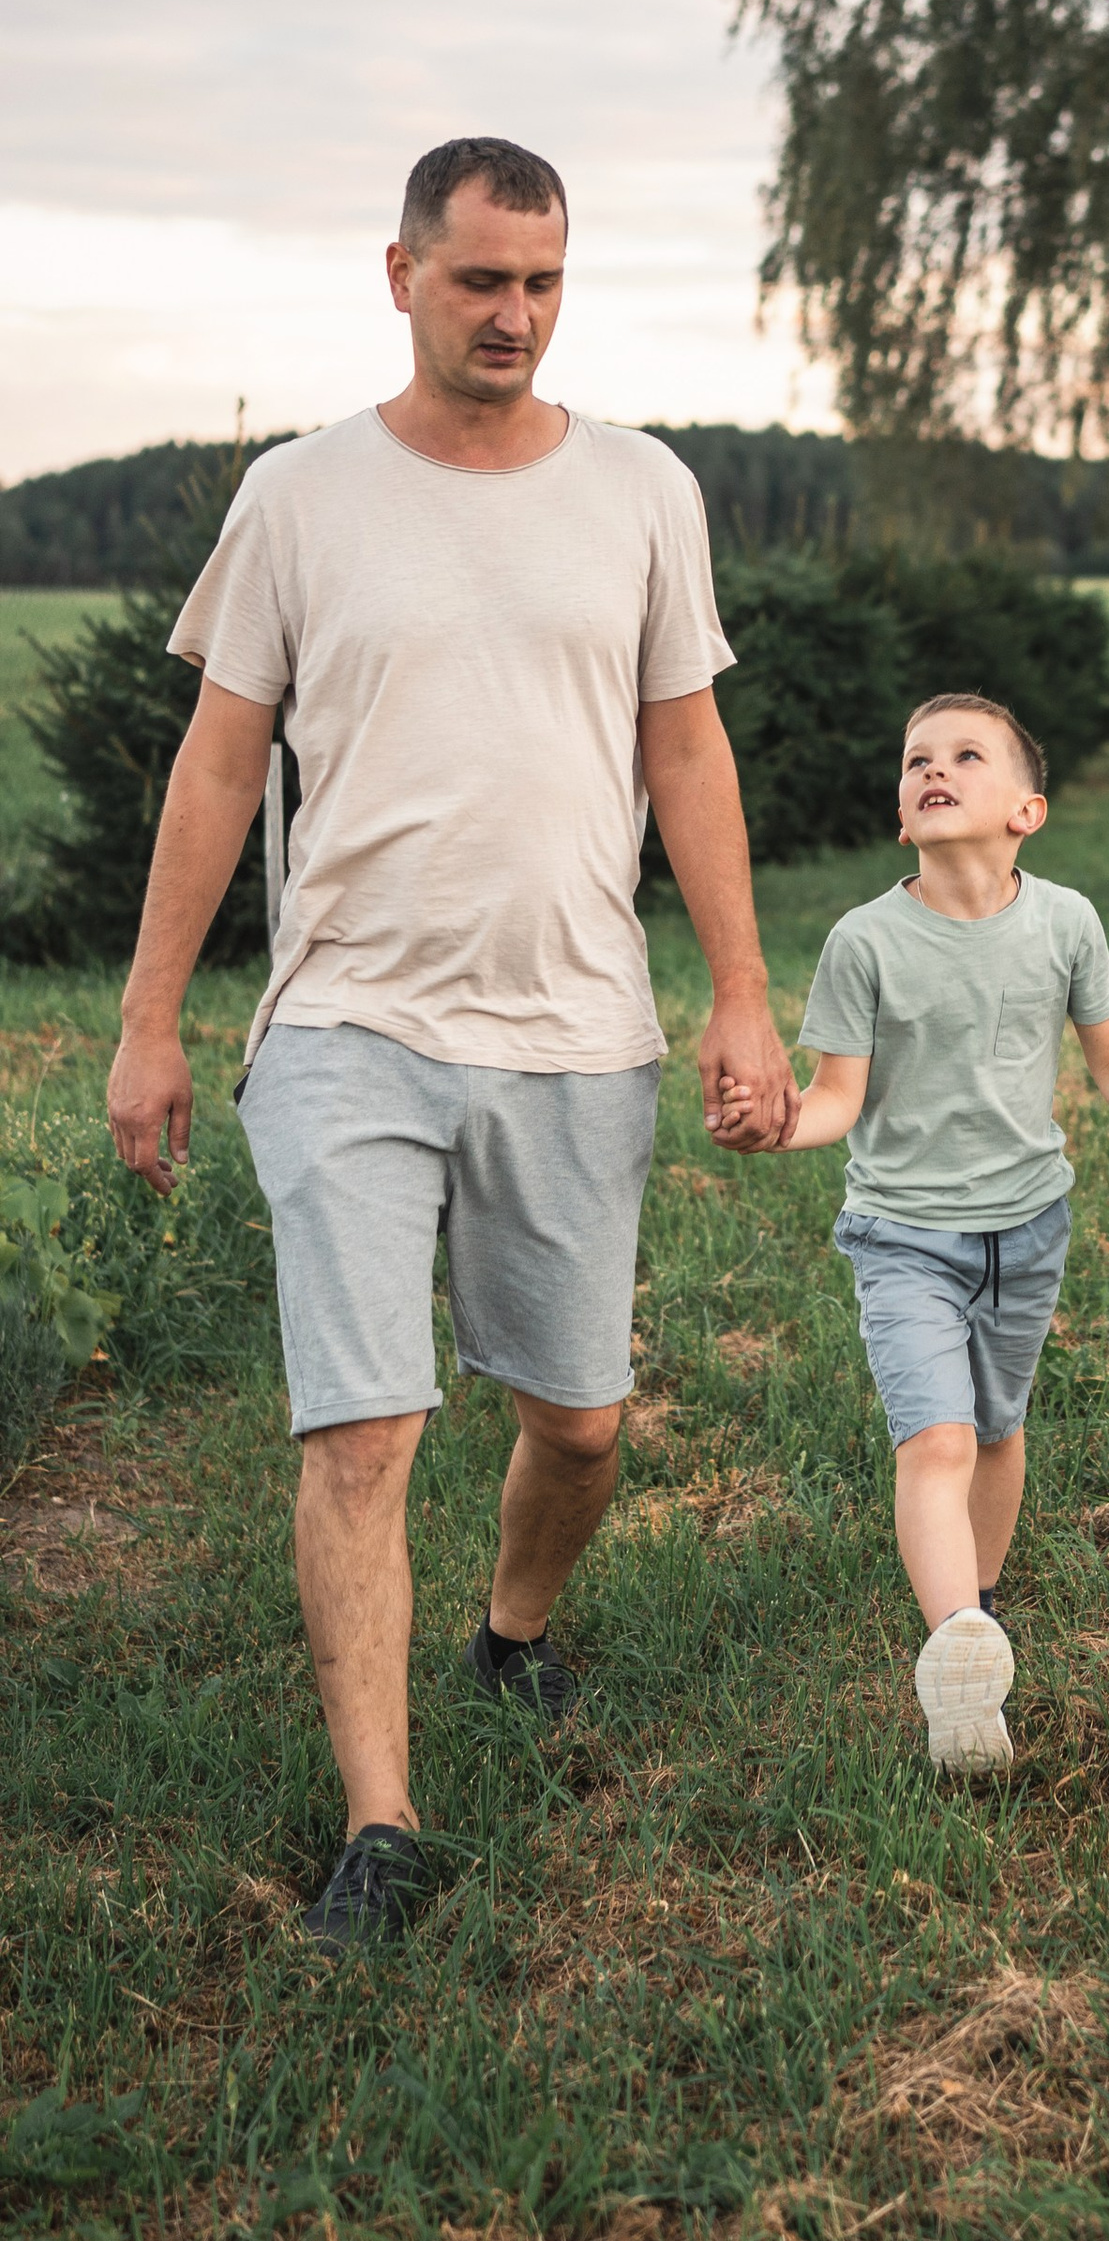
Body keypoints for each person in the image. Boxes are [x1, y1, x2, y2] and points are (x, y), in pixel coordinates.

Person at [105, 136, 796, 1953]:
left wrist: (736, 989)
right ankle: (382, 1825)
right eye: (480, 277)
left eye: (543, 282)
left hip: (576, 1025)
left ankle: (510, 1632)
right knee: (363, 1429)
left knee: (576, 1420)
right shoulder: (300, 498)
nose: (513, 313)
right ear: (398, 273)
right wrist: (152, 1016)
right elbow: (220, 763)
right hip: (349, 1018)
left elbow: (689, 756)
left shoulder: (644, 491)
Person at [767, 693, 1109, 1779]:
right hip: (904, 1235)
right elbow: (835, 1098)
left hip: (1027, 1227)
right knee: (939, 1441)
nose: (934, 770)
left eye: (966, 755)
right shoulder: (863, 941)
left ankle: (980, 1618)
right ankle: (952, 1646)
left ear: (1027, 810)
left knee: (999, 1431)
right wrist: (780, 1125)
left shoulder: (1064, 922)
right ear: (903, 812)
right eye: (917, 759)